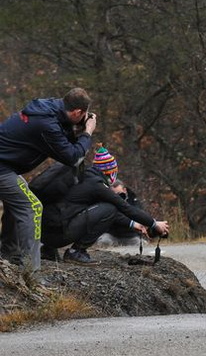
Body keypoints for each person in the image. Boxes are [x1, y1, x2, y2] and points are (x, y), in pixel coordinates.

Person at [0, 87, 96, 272]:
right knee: (32, 207)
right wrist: (87, 132)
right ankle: (31, 272)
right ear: (77, 112)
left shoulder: (49, 109)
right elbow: (73, 158)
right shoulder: (47, 124)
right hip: (3, 168)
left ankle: (8, 254)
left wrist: (77, 128)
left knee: (19, 199)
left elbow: (65, 141)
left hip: (6, 167)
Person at [38, 146, 169, 265]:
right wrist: (153, 223)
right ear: (111, 172)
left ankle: (48, 250)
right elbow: (124, 207)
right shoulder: (97, 186)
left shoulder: (81, 175)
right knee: (110, 208)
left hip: (44, 233)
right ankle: (76, 252)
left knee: (79, 208)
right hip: (58, 234)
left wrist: (134, 224)